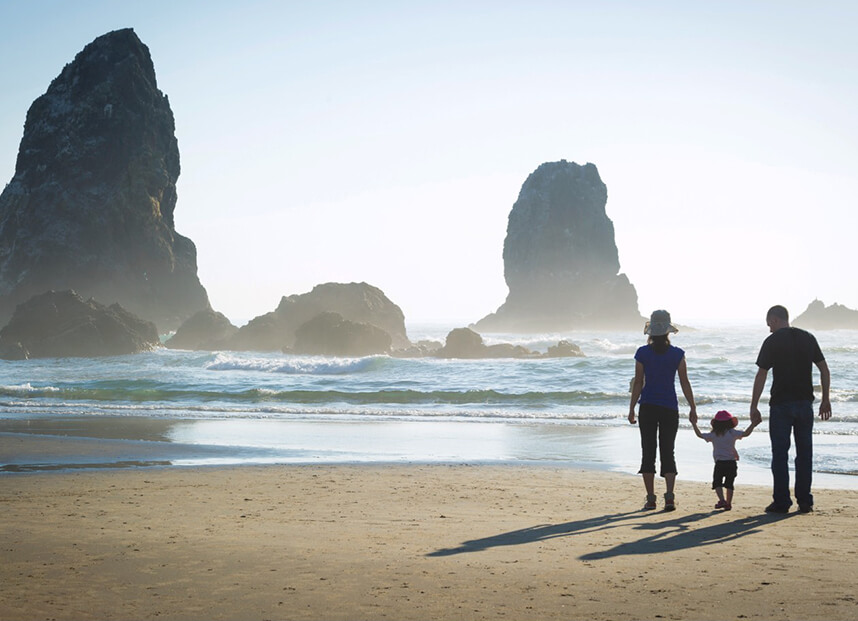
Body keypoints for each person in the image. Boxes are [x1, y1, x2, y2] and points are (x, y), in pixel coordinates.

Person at [750, 305, 831, 514]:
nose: (769, 329)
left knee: (780, 454)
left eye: (769, 325)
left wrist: (754, 405)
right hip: (805, 403)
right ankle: (805, 501)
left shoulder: (772, 341)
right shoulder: (808, 338)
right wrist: (826, 400)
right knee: (804, 453)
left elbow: (761, 374)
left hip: (781, 405)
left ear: (775, 320)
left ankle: (782, 501)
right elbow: (824, 369)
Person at [629, 309, 698, 511]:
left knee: (647, 451)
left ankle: (651, 498)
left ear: (651, 330)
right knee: (668, 451)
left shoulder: (642, 353)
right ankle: (669, 497)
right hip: (669, 407)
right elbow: (685, 383)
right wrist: (692, 407)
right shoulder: (677, 354)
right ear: (668, 330)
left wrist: (632, 408)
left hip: (648, 407)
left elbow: (639, 382)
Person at [691, 410, 758, 510]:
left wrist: (694, 424)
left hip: (719, 463)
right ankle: (728, 503)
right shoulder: (732, 433)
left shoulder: (714, 434)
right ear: (730, 423)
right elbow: (746, 433)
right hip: (731, 462)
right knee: (729, 483)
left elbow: (700, 435)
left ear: (716, 424)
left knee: (717, 482)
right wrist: (753, 424)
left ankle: (722, 500)